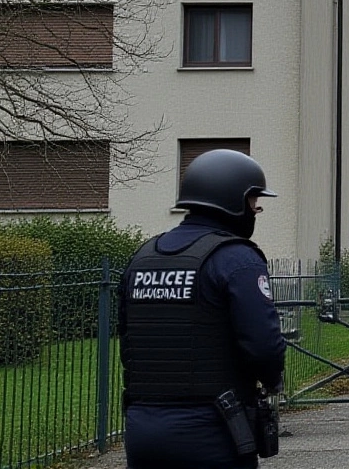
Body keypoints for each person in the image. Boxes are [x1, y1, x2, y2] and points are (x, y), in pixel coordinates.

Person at [119, 149, 287, 469]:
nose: (256, 210)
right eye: (254, 203)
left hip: (142, 428)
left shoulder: (142, 258)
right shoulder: (237, 258)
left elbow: (128, 343)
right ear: (233, 200)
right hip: (213, 429)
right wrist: (271, 380)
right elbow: (264, 345)